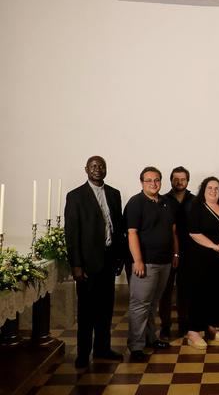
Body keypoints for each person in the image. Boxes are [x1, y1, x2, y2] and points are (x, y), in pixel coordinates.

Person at [64, 156, 125, 368]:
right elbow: (71, 234)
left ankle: (102, 349)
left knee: (105, 309)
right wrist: (76, 265)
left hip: (108, 261)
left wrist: (119, 258)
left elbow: (118, 229)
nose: (98, 169)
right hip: (88, 264)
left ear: (106, 169)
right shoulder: (76, 196)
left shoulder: (114, 194)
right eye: (93, 166)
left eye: (101, 166)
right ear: (86, 169)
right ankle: (83, 354)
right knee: (86, 311)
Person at [124, 167, 179, 362]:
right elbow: (132, 233)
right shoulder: (135, 203)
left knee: (152, 303)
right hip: (145, 263)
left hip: (164, 262)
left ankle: (150, 338)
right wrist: (137, 260)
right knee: (140, 305)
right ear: (141, 183)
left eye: (156, 180)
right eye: (149, 181)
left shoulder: (166, 202)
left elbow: (172, 231)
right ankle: (136, 347)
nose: (153, 184)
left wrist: (175, 253)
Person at [185, 177, 219, 349]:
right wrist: (214, 246)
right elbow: (194, 233)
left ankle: (211, 327)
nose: (213, 191)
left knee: (217, 292)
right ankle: (193, 332)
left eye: (217, 188)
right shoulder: (196, 207)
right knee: (199, 292)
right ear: (204, 189)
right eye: (210, 188)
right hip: (201, 258)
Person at [159, 166, 194, 339]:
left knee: (185, 290)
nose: (179, 182)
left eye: (183, 179)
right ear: (170, 180)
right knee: (165, 291)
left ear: (188, 181)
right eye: (176, 179)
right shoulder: (162, 200)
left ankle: (184, 324)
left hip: (189, 252)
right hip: (167, 251)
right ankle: (165, 326)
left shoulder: (196, 200)